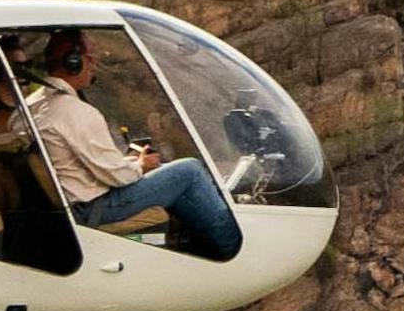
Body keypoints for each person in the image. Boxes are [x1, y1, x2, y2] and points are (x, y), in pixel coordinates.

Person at [16, 35, 242, 260]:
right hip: (94, 208)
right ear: (73, 62)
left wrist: (131, 163)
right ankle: (234, 249)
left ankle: (199, 248)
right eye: (90, 58)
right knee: (189, 171)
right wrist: (140, 166)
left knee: (169, 175)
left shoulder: (30, 106)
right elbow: (118, 177)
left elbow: (76, 163)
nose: (94, 65)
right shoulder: (75, 112)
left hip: (70, 203)